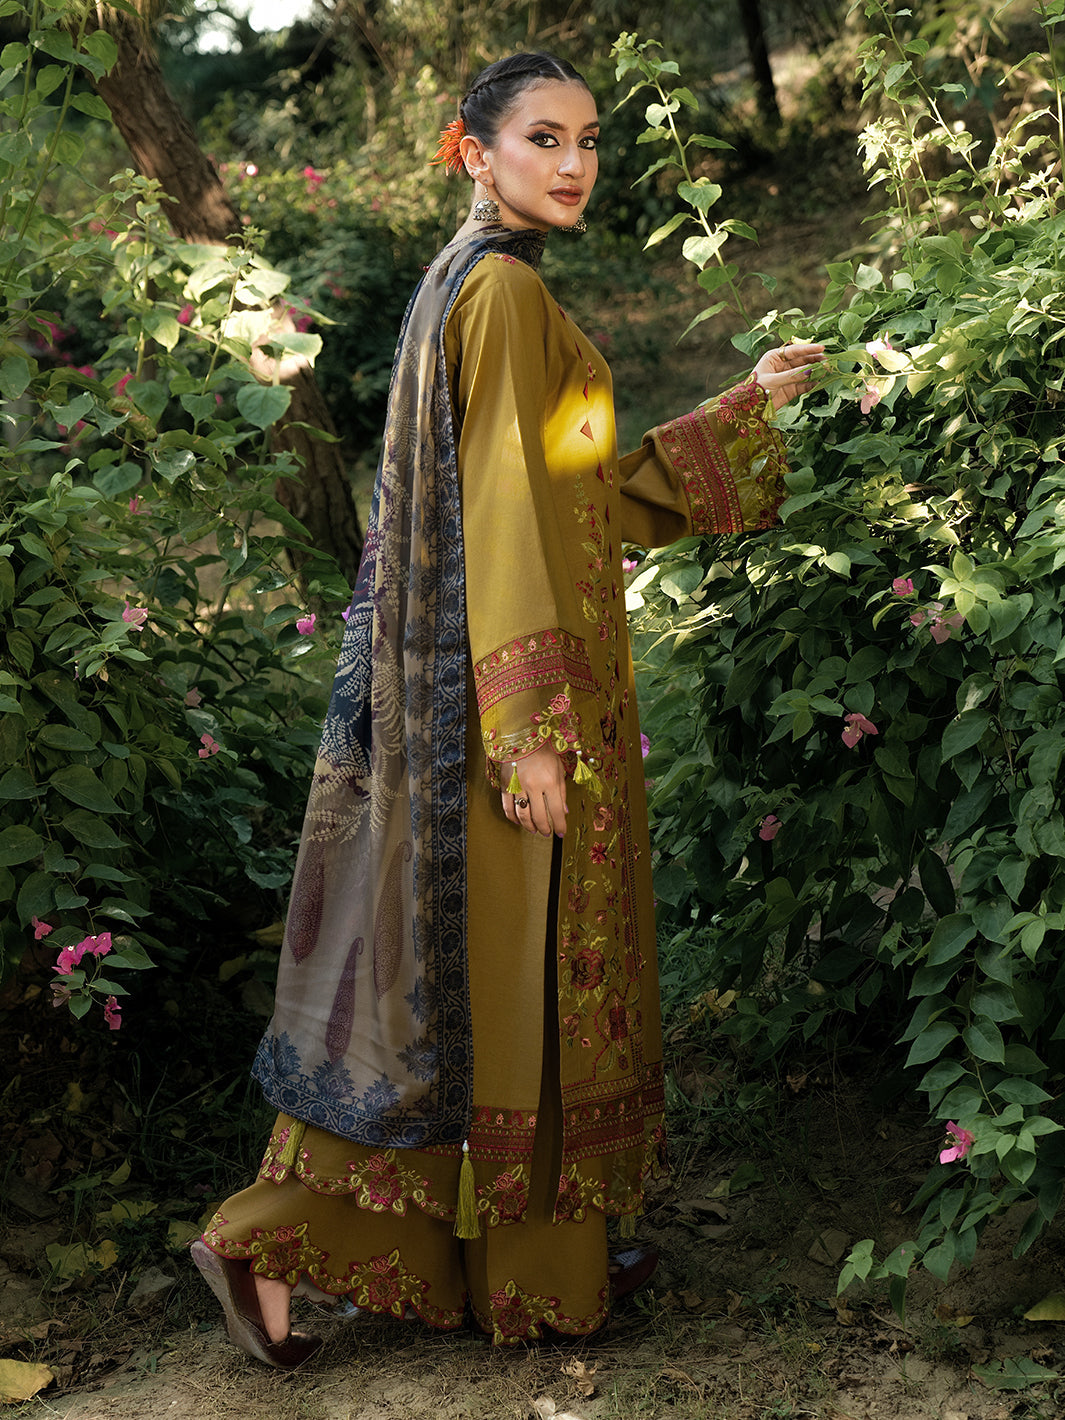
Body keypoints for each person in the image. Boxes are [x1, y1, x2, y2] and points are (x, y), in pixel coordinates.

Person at [191, 50, 824, 1362]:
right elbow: (503, 511)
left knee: (471, 999)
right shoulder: (501, 295)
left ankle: (516, 1261)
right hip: (505, 705)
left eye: (589, 138)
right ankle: (287, 1240)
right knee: (513, 986)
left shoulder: (472, 284)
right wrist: (530, 731)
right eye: (545, 137)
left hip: (464, 697)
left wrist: (743, 412)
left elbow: (578, 485)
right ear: (473, 151)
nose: (576, 162)